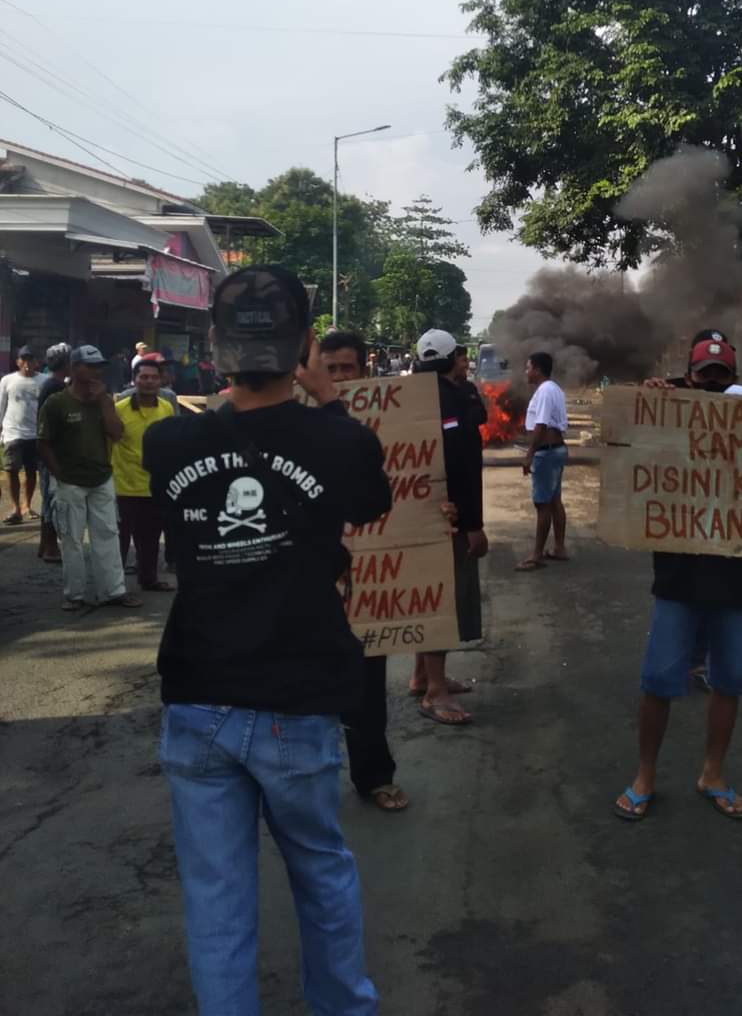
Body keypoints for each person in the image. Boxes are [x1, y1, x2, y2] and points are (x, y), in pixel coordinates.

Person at [145, 265, 390, 1015]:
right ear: (306, 348)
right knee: (320, 873)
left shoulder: (169, 443)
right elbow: (372, 500)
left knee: (216, 897)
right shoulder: (337, 439)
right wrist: (326, 396)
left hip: (198, 697)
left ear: (216, 348)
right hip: (296, 696)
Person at [614, 330, 742, 823]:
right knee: (660, 679)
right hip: (680, 573)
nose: (712, 385)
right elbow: (625, 449)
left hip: (739, 575)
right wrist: (649, 402)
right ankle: (645, 774)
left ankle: (713, 773)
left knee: (730, 681)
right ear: (689, 375)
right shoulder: (667, 411)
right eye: (704, 375)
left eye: (721, 376)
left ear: (734, 378)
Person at [325, 329, 409, 815]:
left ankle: (374, 775)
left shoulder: (389, 423)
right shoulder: (291, 425)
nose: (339, 379)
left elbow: (409, 491)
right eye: (329, 369)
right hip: (308, 584)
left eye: (347, 369)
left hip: (369, 584)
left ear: (364, 371)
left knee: (366, 687)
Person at [409, 328, 487, 726]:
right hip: (449, 516)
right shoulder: (453, 398)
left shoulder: (415, 397)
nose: (466, 360)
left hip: (419, 512)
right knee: (442, 599)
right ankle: (434, 692)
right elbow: (460, 467)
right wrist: (474, 524)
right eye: (460, 354)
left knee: (428, 591)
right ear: (451, 357)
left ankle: (423, 675)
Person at [38, 345, 138, 613]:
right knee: (71, 539)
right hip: (70, 481)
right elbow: (44, 442)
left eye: (98, 366)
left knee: (108, 535)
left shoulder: (103, 399)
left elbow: (117, 433)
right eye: (89, 366)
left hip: (101, 477)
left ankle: (113, 591)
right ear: (73, 368)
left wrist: (105, 403)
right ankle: (75, 594)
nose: (95, 371)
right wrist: (59, 475)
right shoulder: (56, 403)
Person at [113, 353, 174, 592]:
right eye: (144, 377)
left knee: (149, 539)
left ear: (161, 381)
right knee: (119, 540)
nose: (149, 381)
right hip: (123, 485)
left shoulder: (167, 408)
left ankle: (148, 579)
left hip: (154, 485)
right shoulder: (119, 409)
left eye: (153, 378)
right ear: (134, 380)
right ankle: (114, 585)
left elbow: (171, 443)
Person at [517, 352, 570, 570]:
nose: (526, 371)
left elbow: (541, 424)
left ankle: (537, 555)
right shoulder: (553, 388)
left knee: (542, 504)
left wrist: (530, 453)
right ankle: (558, 548)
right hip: (555, 450)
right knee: (554, 500)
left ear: (537, 369)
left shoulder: (546, 391)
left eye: (528, 367)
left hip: (546, 452)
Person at [0, 345, 43, 524]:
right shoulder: (7, 381)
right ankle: (16, 508)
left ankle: (27, 504)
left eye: (30, 360)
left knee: (32, 471)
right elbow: (1, 405)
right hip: (12, 432)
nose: (27, 364)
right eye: (23, 360)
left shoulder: (44, 381)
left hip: (35, 433)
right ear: (18, 361)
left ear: (37, 363)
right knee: (11, 470)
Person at [35, 343, 70, 562]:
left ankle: (43, 545)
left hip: (49, 448)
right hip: (52, 450)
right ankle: (50, 547)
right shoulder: (55, 387)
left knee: (48, 497)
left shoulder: (53, 384)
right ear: (66, 364)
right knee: (51, 498)